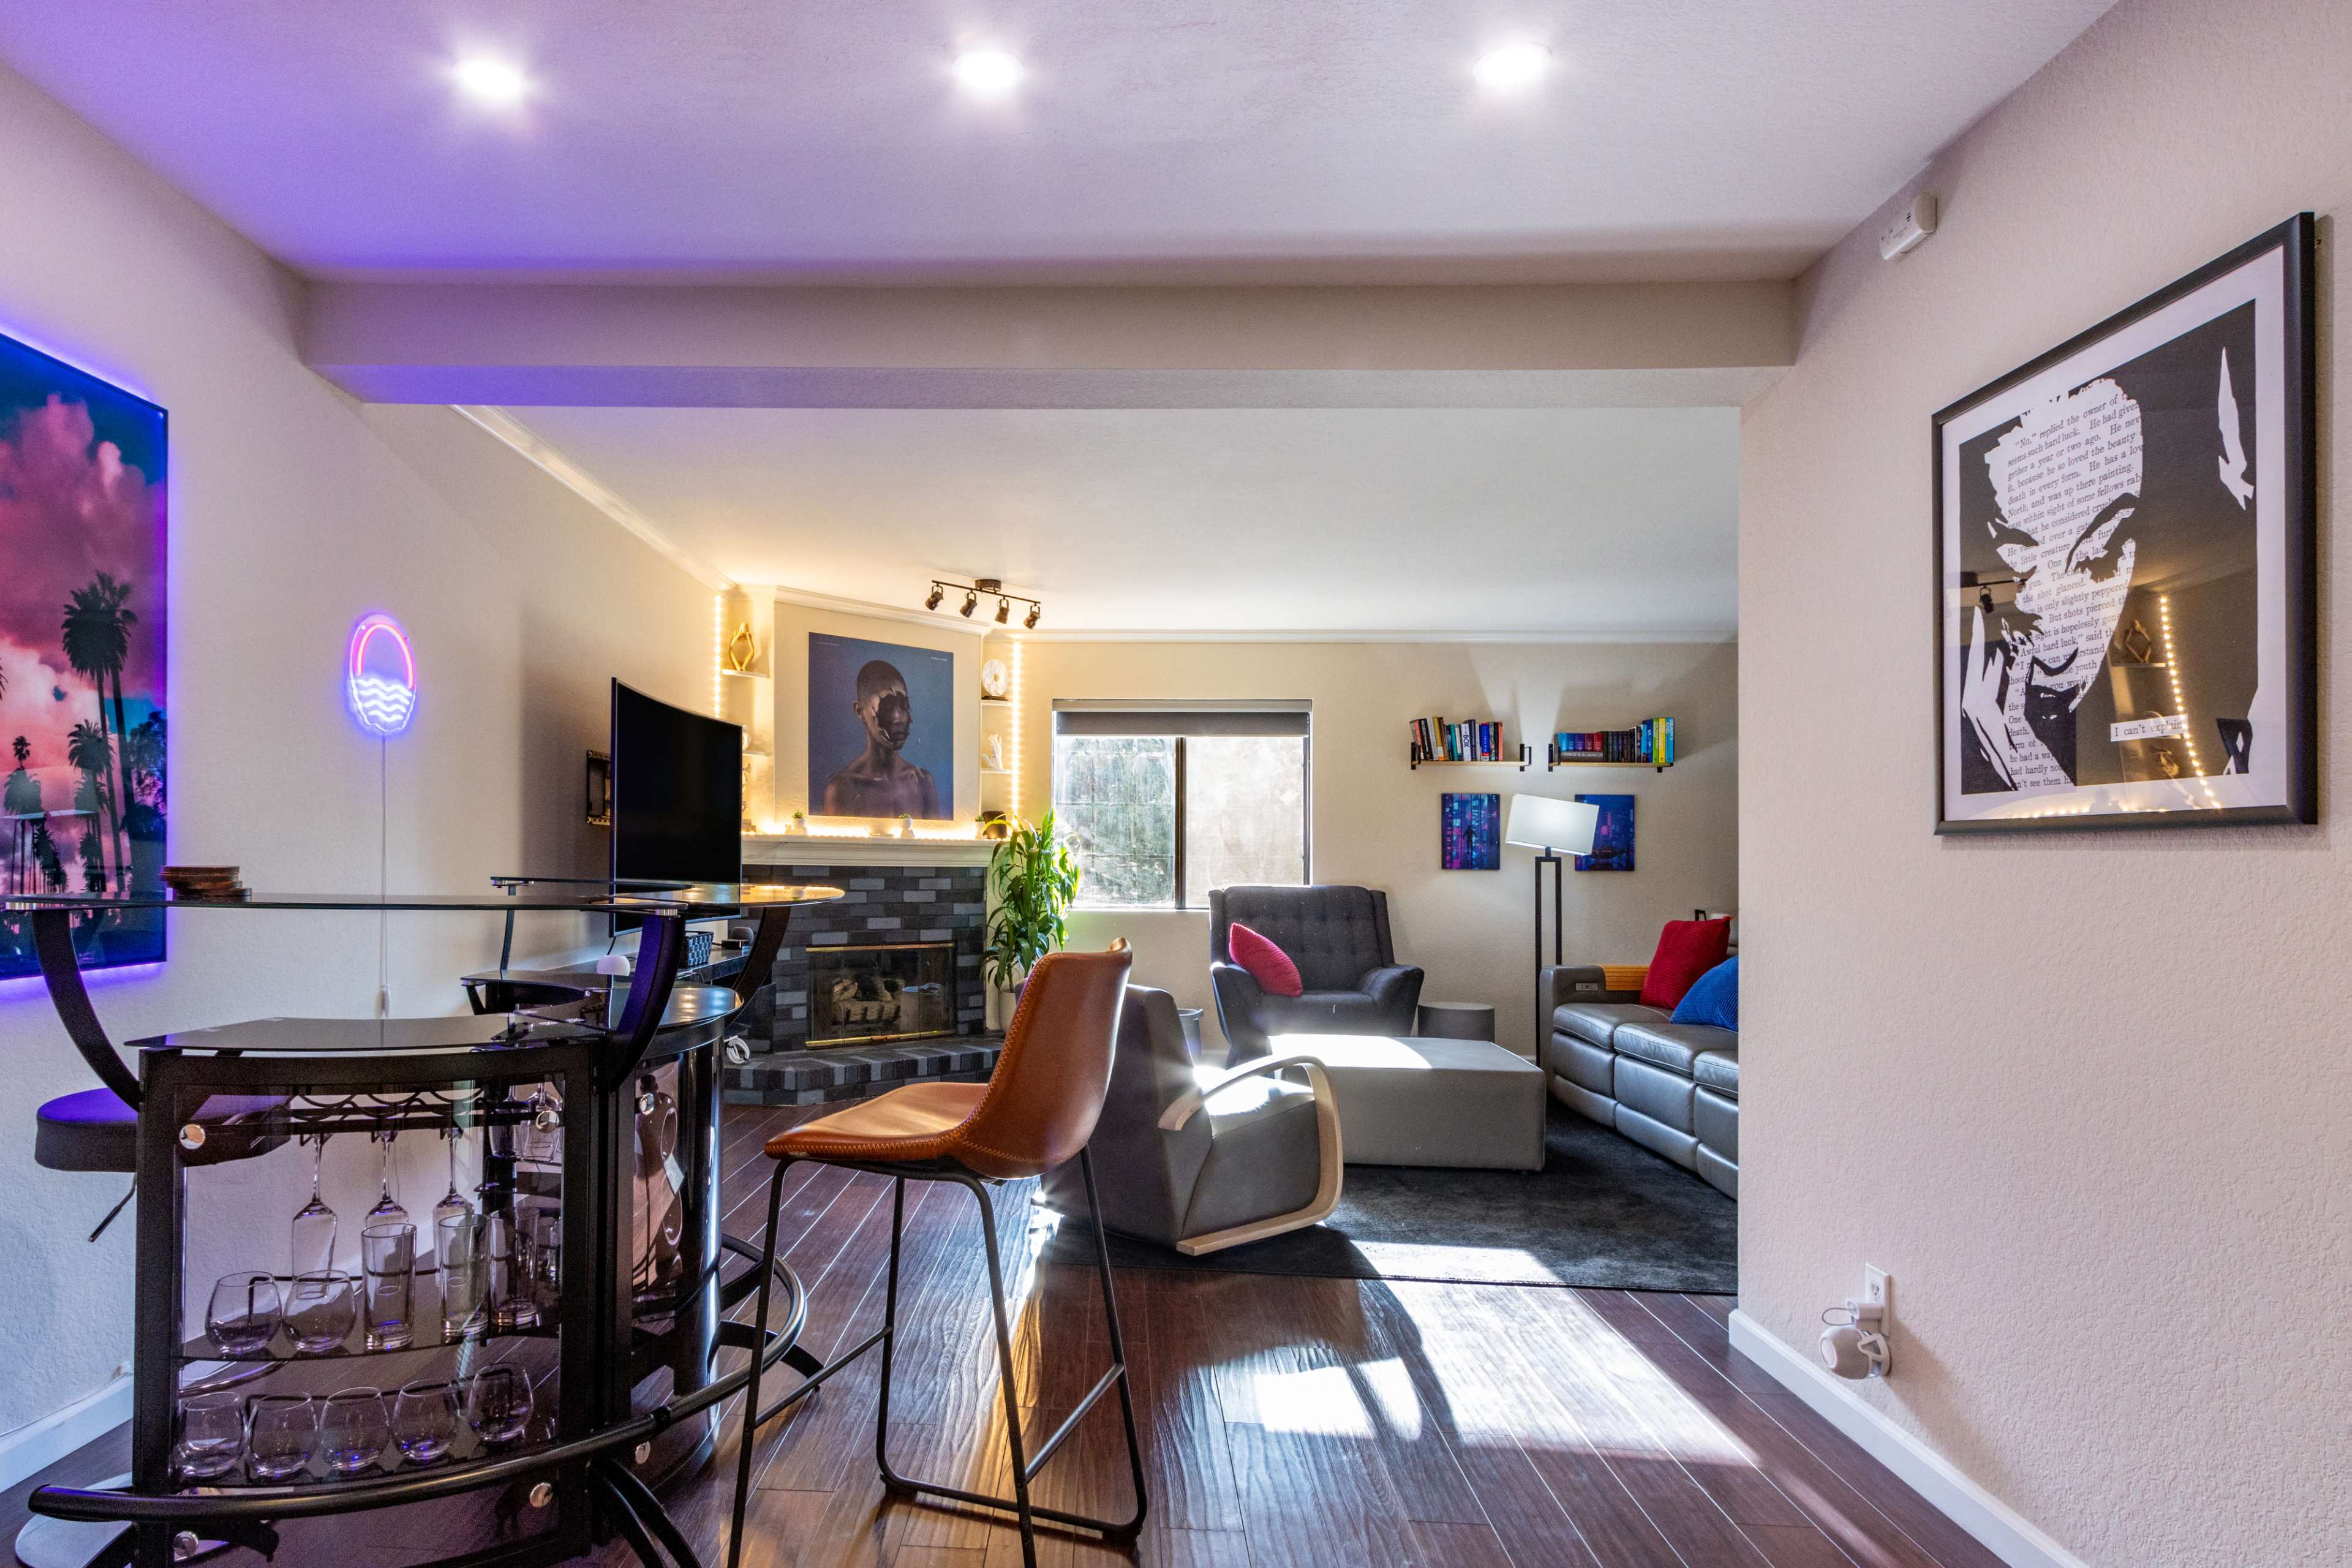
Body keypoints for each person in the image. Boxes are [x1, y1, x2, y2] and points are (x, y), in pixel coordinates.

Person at [821, 659, 941, 818]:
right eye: (887, 706)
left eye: (903, 705)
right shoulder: (843, 789)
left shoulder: (923, 782)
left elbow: (935, 841)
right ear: (859, 711)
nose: (899, 718)